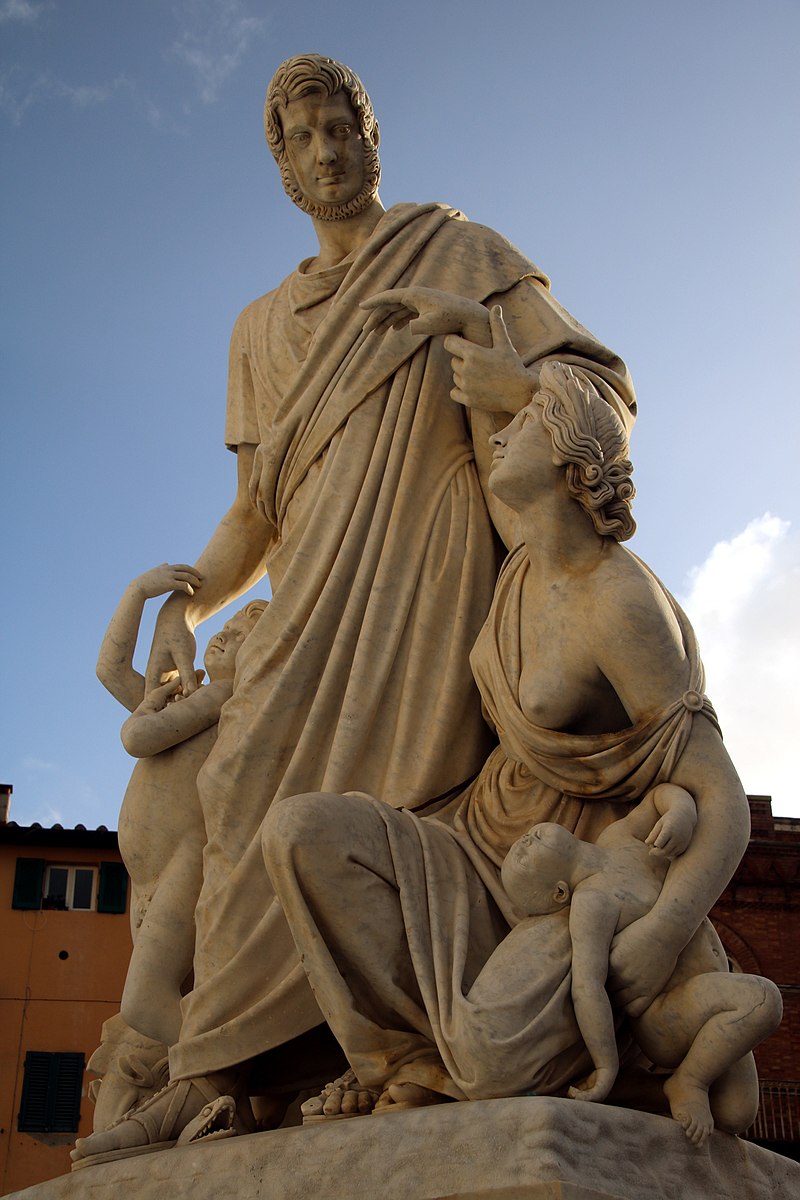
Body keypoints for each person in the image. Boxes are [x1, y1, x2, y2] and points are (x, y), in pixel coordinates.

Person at [70, 54, 638, 1167]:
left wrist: (500, 371)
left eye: (344, 129)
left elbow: (594, 390)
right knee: (237, 795)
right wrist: (182, 598)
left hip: (432, 580)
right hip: (311, 601)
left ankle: (397, 1046)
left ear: (374, 136)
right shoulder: (258, 328)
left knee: (413, 804)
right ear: (279, 165)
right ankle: (220, 1075)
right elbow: (252, 515)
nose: (329, 152)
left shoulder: (459, 251)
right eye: (305, 139)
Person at [259, 352, 752, 1122]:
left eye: (522, 424)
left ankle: (523, 1063)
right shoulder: (522, 553)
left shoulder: (619, 604)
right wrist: (460, 334)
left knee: (491, 1067)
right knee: (302, 833)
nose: (499, 435)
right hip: (474, 843)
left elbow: (722, 800)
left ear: (567, 461)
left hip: (568, 881)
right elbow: (501, 424)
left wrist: (664, 931)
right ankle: (411, 1060)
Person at [500, 788, 781, 1147]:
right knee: (762, 1000)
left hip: (711, 989)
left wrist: (680, 812)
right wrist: (606, 1066)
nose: (523, 842)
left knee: (736, 1113)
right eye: (521, 858)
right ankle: (687, 1082)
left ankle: (686, 1081)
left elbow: (658, 799)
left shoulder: (616, 837)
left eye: (521, 841)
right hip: (667, 1014)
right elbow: (587, 988)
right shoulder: (592, 902)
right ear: (558, 893)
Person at [96, 563, 267, 1049]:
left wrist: (146, 712)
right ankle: (204, 1078)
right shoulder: (191, 697)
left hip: (181, 861)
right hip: (150, 873)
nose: (222, 635)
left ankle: (225, 1074)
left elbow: (139, 738)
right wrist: (138, 593)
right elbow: (110, 670)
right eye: (226, 627)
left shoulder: (222, 698)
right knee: (161, 997)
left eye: (238, 634)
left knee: (145, 1002)